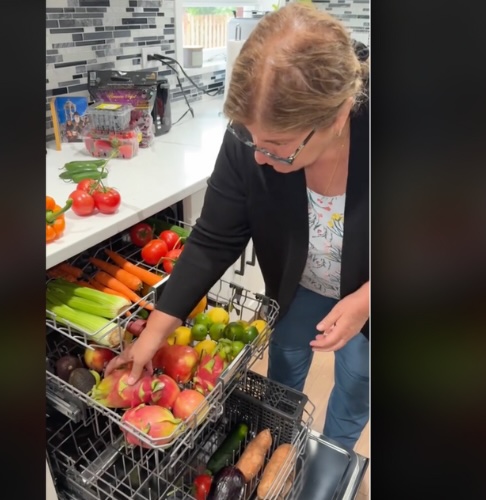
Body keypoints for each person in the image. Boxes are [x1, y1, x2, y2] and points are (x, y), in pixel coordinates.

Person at [105, 3, 371, 450]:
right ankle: (283, 442)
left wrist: (366, 298)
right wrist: (153, 335)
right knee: (286, 363)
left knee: (358, 375)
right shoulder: (250, 135)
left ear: (339, 116)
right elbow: (212, 239)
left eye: (278, 147)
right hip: (297, 282)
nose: (259, 159)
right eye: (251, 139)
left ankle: (338, 453)